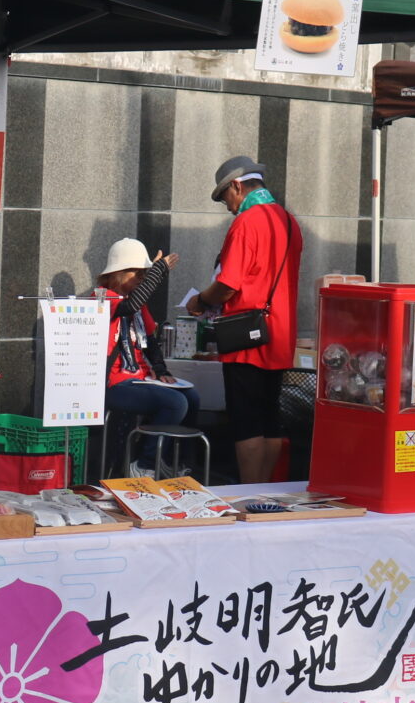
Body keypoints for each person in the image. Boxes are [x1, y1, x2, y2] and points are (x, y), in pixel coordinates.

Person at [185, 155, 301, 485]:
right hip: (280, 334)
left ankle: (249, 492)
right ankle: (264, 491)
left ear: (237, 186)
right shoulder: (289, 221)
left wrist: (200, 301)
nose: (227, 207)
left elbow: (228, 284)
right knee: (270, 419)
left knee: (246, 420)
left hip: (246, 337)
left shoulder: (247, 222)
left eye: (225, 197)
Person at [96, 238, 201, 474]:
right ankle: (145, 465)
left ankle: (176, 463)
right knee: (175, 403)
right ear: (117, 272)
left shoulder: (137, 302)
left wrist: (161, 370)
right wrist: (157, 271)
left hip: (140, 379)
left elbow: (150, 340)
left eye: (145, 273)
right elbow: (128, 307)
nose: (142, 278)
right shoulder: (103, 297)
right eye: (137, 272)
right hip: (114, 383)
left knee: (191, 398)